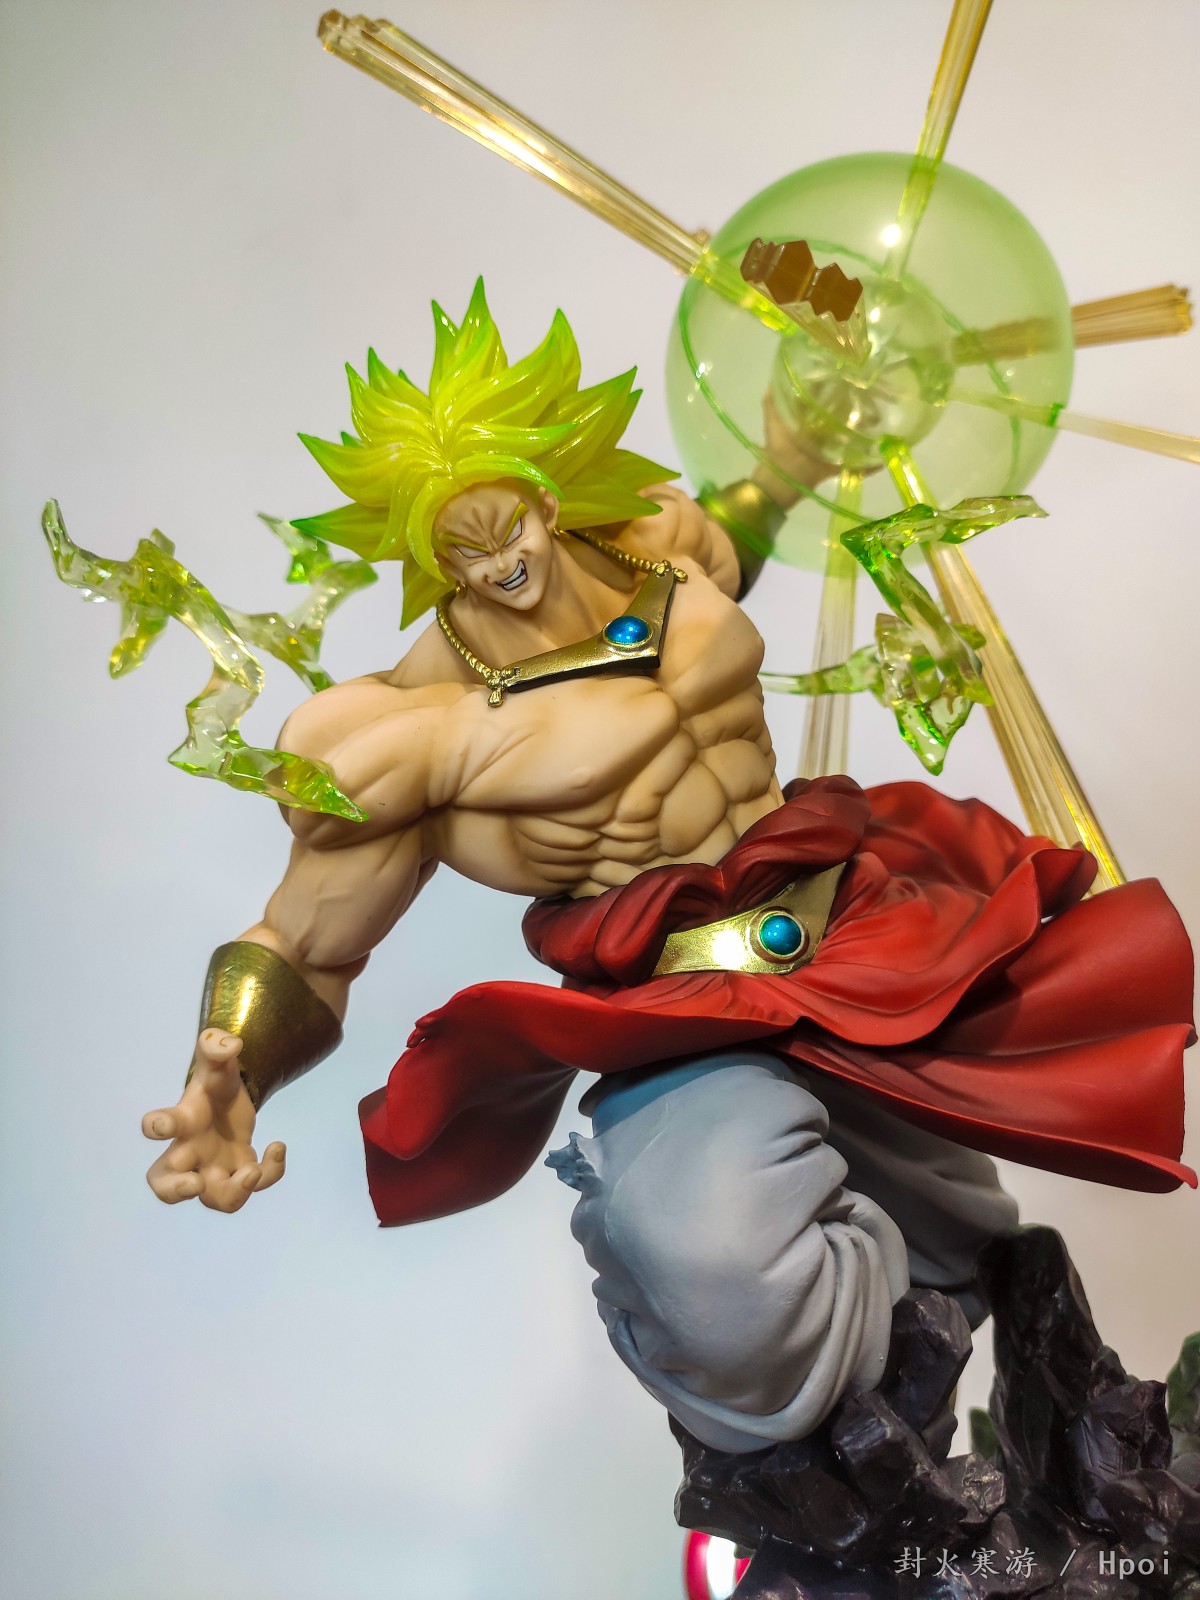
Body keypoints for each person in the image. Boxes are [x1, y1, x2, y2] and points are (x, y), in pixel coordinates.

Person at [142, 281, 1194, 1456]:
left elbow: (744, 523)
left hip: (855, 934)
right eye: (459, 549)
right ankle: (809, 1454)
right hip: (686, 1006)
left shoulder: (656, 546)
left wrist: (809, 433)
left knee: (967, 1239)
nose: (497, 563)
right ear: (425, 557)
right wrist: (233, 1069)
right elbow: (311, 934)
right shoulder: (417, 731)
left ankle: (952, 1439)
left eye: (508, 525)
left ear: (548, 496)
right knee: (716, 1278)